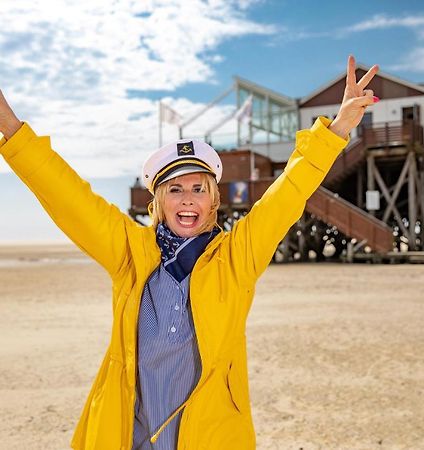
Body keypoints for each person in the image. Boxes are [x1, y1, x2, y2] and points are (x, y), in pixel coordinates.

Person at [0, 55, 379, 450]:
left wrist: (335, 131)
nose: (187, 200)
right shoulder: (129, 251)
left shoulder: (238, 257)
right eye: (175, 190)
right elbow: (70, 198)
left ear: (214, 200)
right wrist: (11, 128)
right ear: (159, 200)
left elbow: (287, 196)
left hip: (210, 435)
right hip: (127, 435)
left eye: (199, 189)